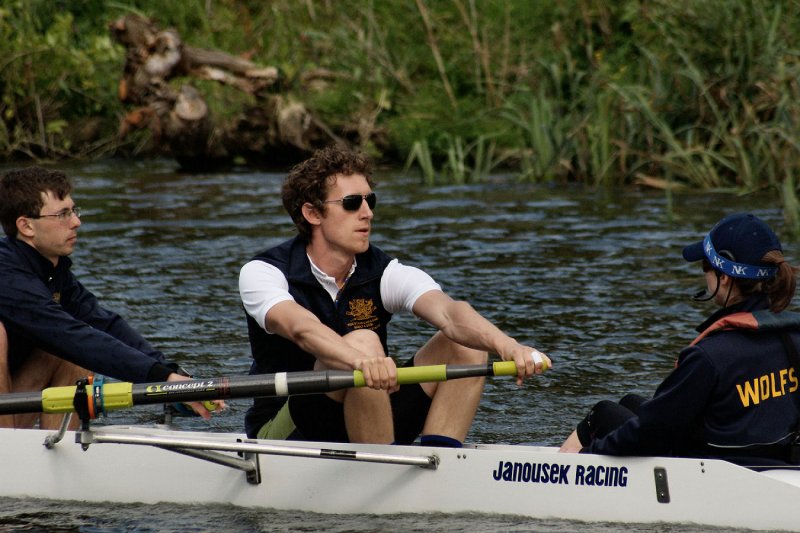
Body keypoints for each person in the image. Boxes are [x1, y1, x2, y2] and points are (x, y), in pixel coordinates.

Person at [239, 145, 550, 446]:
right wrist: (362, 359)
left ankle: (439, 461)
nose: (367, 213)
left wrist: (508, 346)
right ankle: (382, 471)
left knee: (463, 343)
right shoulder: (264, 273)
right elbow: (302, 330)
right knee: (364, 340)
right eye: (351, 203)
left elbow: (450, 314)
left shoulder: (383, 271)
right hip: (288, 432)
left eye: (370, 201)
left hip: (371, 412)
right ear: (312, 213)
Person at [560, 213, 800, 466]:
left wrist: (589, 455)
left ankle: (562, 474)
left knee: (603, 413)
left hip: (712, 470)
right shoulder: (794, 336)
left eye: (705, 266)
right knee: (631, 402)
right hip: (775, 460)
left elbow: (650, 434)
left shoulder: (708, 357)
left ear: (724, 277)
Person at [0, 166, 222, 429]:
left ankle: (61, 456)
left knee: (71, 355)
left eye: (73, 211)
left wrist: (171, 374)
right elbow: (69, 334)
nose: (76, 222)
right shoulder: (6, 272)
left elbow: (104, 325)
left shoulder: (53, 271)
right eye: (62, 214)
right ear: (26, 226)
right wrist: (161, 377)